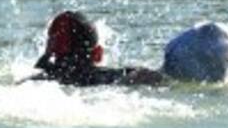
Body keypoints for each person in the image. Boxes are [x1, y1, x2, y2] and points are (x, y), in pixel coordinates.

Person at [29, 10, 166, 87]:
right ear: (97, 53)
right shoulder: (116, 76)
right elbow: (156, 77)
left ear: (50, 50)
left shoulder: (34, 83)